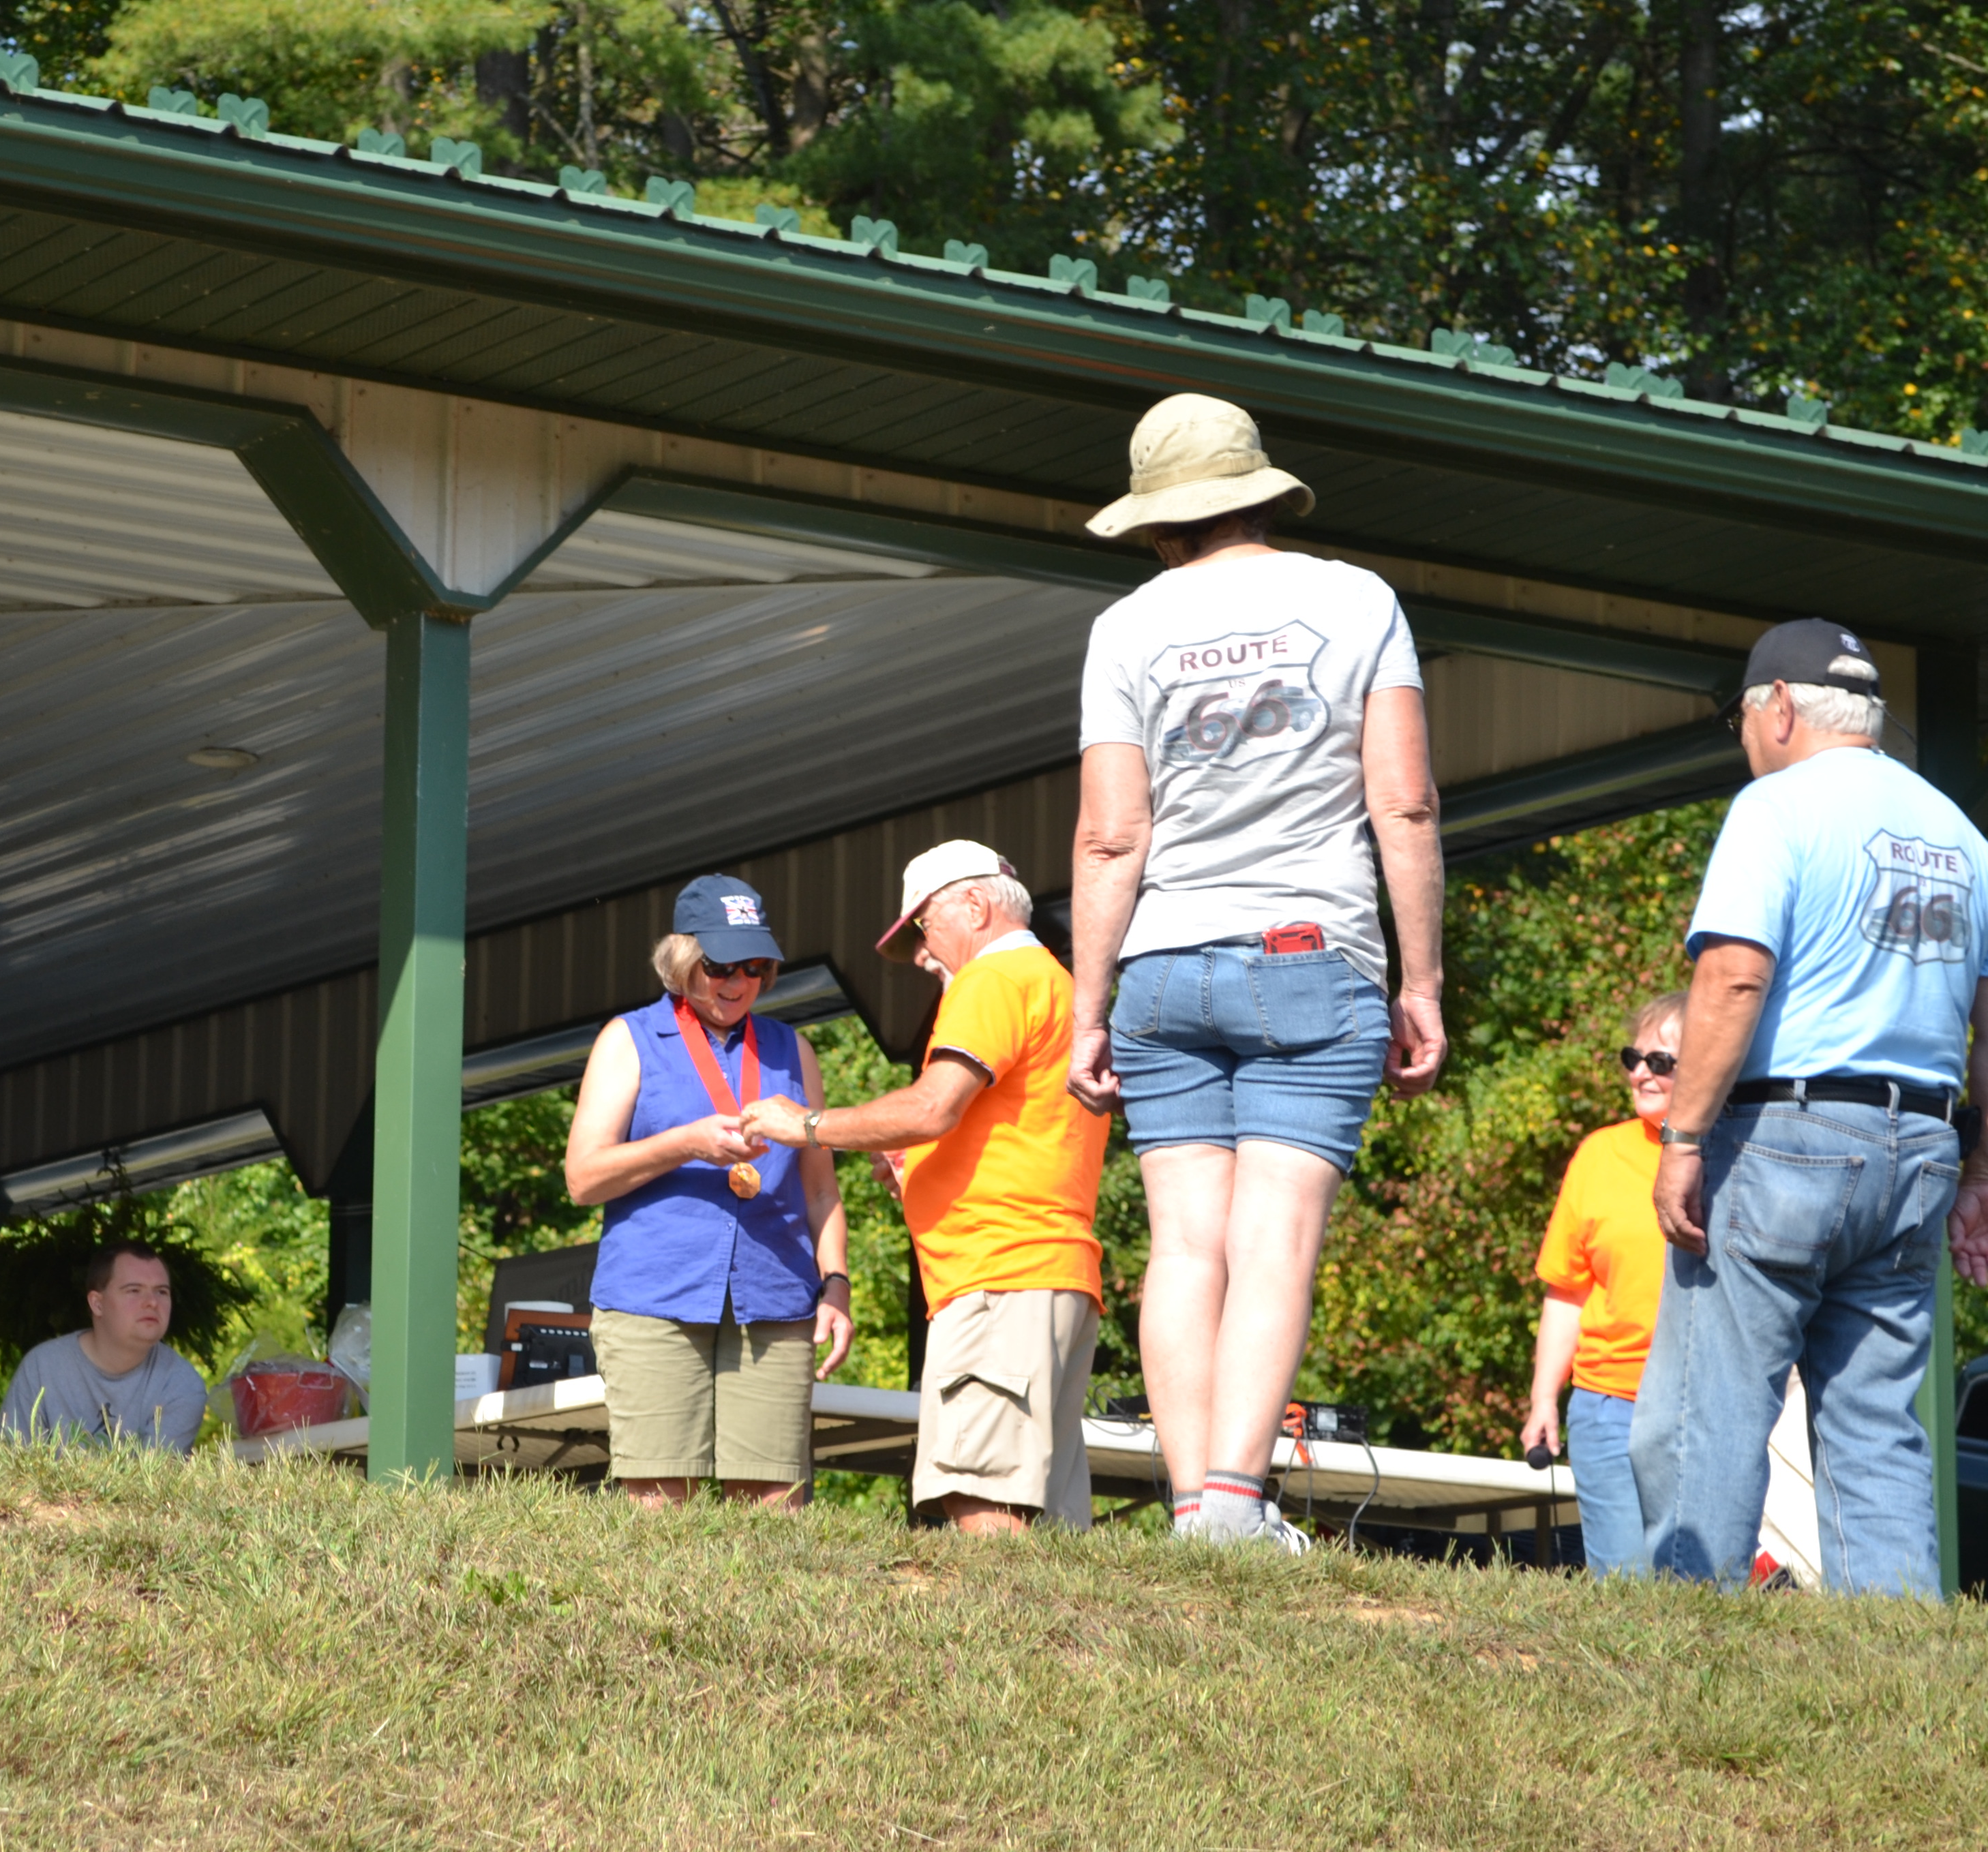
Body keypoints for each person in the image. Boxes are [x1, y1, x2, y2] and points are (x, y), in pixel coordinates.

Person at [1066, 393, 1447, 1546]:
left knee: (1185, 1243)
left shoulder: (1126, 626)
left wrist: (1087, 1009)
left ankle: (1192, 1509)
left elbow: (1110, 837)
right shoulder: (1356, 599)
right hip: (1307, 959)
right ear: (1258, 491)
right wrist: (1420, 983)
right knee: (1272, 1238)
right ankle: (1236, 1504)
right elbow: (1403, 803)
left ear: (1157, 518)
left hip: (1161, 964)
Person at [1634, 620, 1988, 1600]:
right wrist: (1981, 1172)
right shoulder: (1960, 834)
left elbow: (1735, 978)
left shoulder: (1775, 807)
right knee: (1876, 1421)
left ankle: (1688, 1627)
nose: (1746, 739)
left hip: (1786, 1139)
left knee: (1709, 1403)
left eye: (1743, 719)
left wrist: (1683, 1138)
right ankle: (1900, 1650)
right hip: (1920, 1149)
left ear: (1780, 707)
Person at [743, 842, 1110, 1533]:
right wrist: (923, 1164)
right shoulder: (1054, 983)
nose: (919, 953)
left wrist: (808, 1125)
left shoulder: (991, 979)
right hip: (1051, 1275)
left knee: (981, 1500)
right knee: (1049, 1529)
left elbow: (932, 1106)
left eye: (921, 926)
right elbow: (1016, 1128)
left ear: (974, 905)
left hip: (998, 1278)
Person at [564, 876, 854, 1509]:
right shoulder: (630, 1038)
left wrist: (836, 1285)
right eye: (719, 965)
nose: (737, 982)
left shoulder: (793, 1050)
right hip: (656, 1299)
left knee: (776, 1503)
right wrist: (684, 1144)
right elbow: (583, 1179)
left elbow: (821, 1194)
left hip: (777, 1303)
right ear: (682, 959)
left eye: (754, 966)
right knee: (662, 1503)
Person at [1522, 990, 1687, 1575]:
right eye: (1633, 1058)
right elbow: (1567, 1292)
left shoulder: (1739, 1156)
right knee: (1625, 1588)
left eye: (1661, 1062)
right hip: (1607, 1404)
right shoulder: (1599, 1154)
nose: (1640, 1073)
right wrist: (1544, 1397)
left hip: (1701, 1408)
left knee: (1700, 1593)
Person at [0, 1243, 210, 1454]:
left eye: (162, 1292)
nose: (152, 1303)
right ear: (97, 1304)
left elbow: (152, 1474)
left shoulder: (182, 1385)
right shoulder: (42, 1368)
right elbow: (8, 1463)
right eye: (134, 1291)